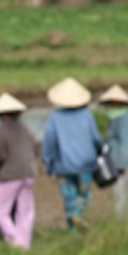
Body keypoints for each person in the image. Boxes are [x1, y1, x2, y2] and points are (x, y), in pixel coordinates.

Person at [40, 78, 102, 233]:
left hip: (63, 166)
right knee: (84, 196)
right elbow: (96, 139)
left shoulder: (54, 117)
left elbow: (49, 141)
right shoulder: (87, 115)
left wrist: (47, 160)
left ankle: (73, 228)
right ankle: (77, 217)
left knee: (69, 198)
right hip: (86, 164)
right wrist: (102, 151)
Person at [0, 92, 37, 248]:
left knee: (0, 211)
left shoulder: (1, 131)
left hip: (10, 175)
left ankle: (14, 241)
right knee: (25, 212)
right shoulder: (26, 129)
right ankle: (24, 244)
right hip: (28, 173)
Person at [97, 85, 128, 221]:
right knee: (124, 192)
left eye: (111, 103)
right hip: (118, 162)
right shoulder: (115, 120)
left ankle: (121, 221)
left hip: (122, 163)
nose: (109, 106)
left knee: (120, 193)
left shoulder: (122, 120)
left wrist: (122, 165)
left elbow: (127, 144)